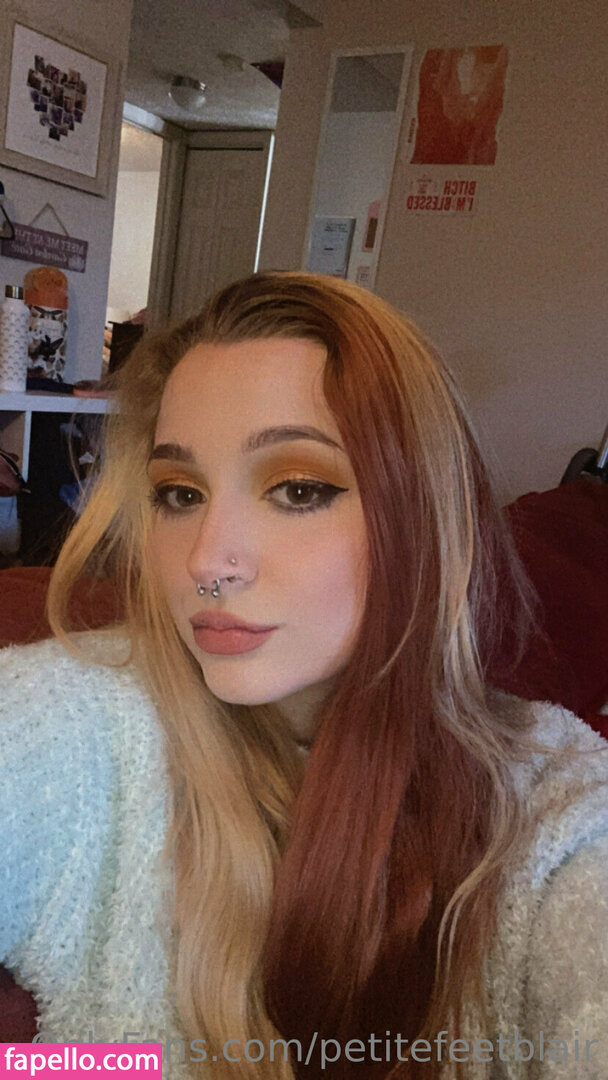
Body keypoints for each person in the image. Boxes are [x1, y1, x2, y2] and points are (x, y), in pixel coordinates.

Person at [1, 272, 607, 1079]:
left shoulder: (551, 817)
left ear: (423, 517)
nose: (208, 562)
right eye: (179, 493)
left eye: (297, 489)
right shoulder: (74, 721)